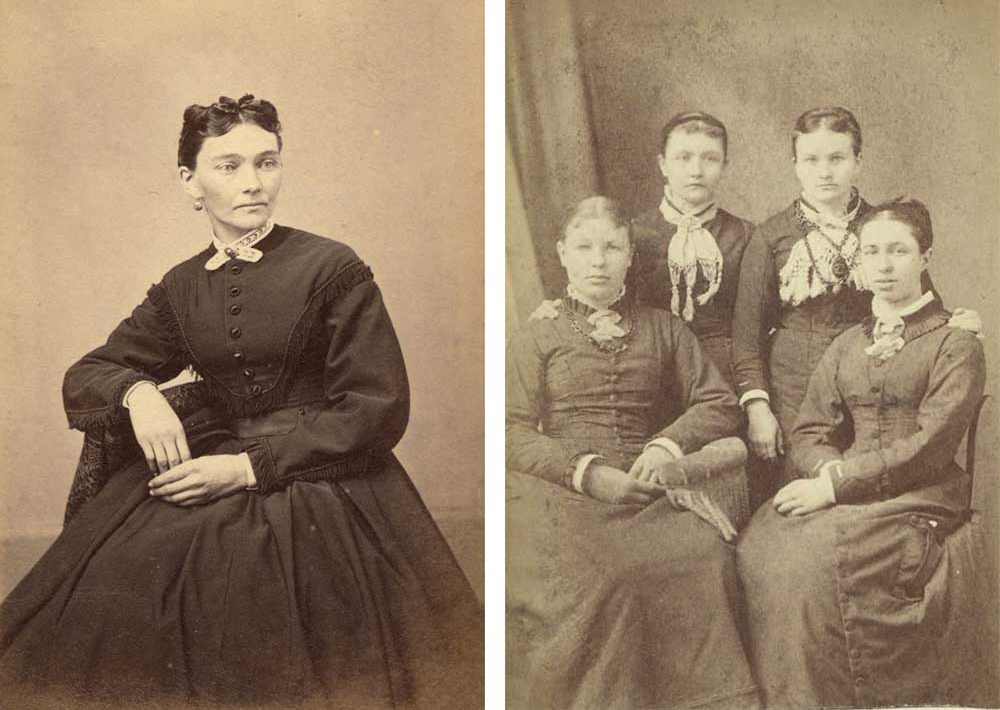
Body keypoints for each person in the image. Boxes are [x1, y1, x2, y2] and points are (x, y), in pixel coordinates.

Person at [0, 94, 482, 708]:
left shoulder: (331, 267)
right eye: (228, 165)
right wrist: (140, 393)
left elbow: (376, 406)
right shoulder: (181, 285)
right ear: (189, 180)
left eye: (267, 162)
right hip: (215, 461)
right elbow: (92, 371)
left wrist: (245, 468)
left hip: (324, 482)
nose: (253, 183)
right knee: (125, 586)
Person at [506, 196, 759, 709]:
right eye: (584, 247)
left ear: (629, 257)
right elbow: (509, 429)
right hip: (565, 493)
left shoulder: (663, 327)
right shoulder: (539, 332)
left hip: (649, 489)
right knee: (610, 577)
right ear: (562, 254)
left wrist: (668, 444)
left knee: (704, 556)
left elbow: (718, 402)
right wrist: (585, 472)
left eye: (611, 247)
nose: (597, 260)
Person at [737, 198, 991, 707]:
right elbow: (810, 428)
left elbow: (930, 446)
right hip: (847, 482)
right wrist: (827, 469)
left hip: (921, 491)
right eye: (871, 251)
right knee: (758, 545)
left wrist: (834, 486)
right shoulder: (850, 343)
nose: (883, 263)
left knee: (809, 561)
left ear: (925, 258)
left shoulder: (955, 343)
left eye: (898, 250)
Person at [731, 106, 981, 506]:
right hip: (794, 392)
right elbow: (746, 339)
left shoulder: (884, 224)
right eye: (811, 160)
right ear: (795, 165)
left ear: (858, 162)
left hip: (871, 381)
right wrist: (759, 409)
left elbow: (919, 300)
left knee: (869, 482)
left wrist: (955, 324)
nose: (824, 172)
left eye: (837, 158)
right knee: (794, 497)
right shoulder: (771, 236)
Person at [531, 112, 754, 387]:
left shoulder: (745, 235)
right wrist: (559, 311)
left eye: (710, 158)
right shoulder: (632, 234)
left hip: (722, 376)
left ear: (725, 165)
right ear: (663, 164)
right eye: (683, 158)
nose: (696, 170)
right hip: (649, 373)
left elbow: (754, 327)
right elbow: (601, 296)